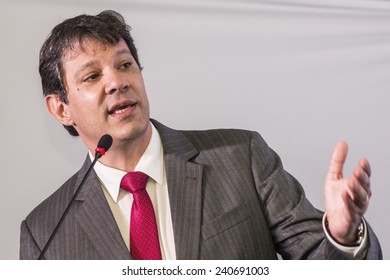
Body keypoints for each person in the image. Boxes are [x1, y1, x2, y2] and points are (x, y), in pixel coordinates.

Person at [20, 10, 382, 260]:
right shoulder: (45, 230)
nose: (117, 82)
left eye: (125, 64)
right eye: (92, 76)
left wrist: (343, 235)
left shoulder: (242, 157)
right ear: (60, 108)